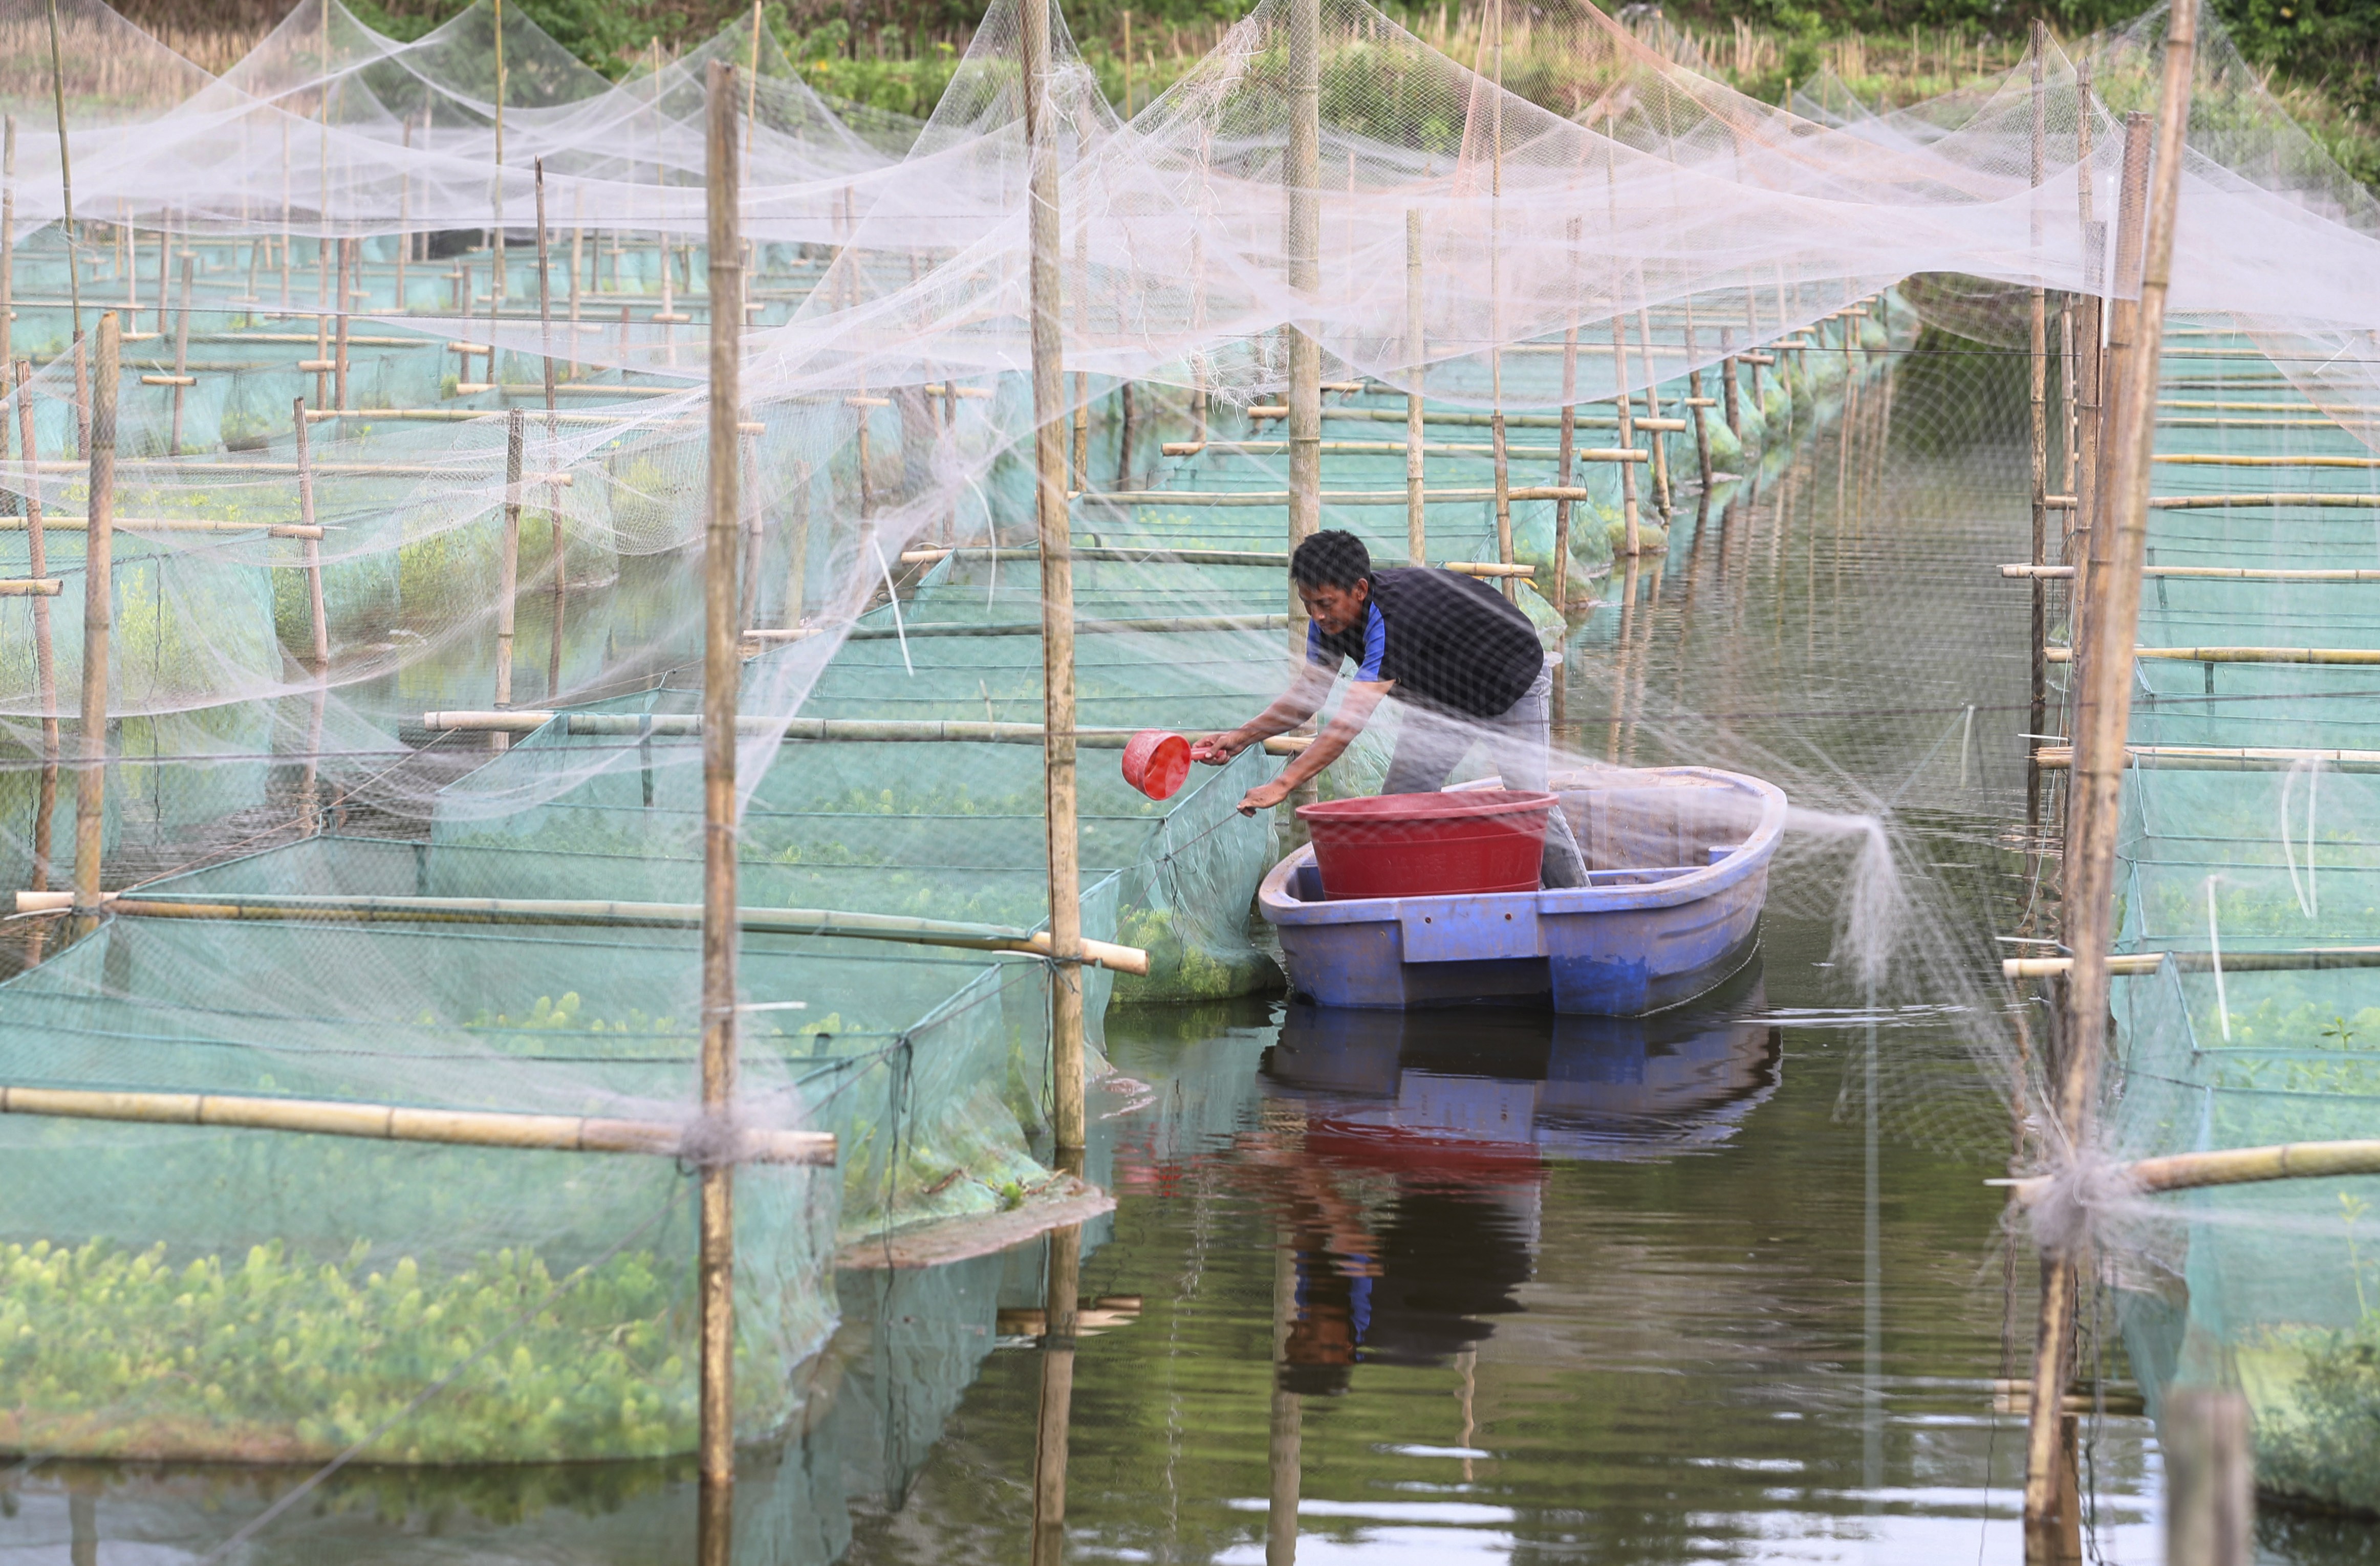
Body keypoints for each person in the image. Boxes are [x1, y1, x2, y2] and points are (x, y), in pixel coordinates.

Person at [1193, 529, 1587, 887]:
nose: (1317, 615)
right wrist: (1240, 737)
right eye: (1308, 604)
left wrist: (1282, 784)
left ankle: (1581, 903)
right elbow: (1308, 697)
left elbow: (1347, 725)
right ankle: (1411, 906)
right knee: (1400, 805)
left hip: (1510, 682)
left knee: (1529, 805)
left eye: (1326, 603)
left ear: (1360, 590)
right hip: (1443, 702)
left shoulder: (1392, 618)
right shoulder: (1328, 623)